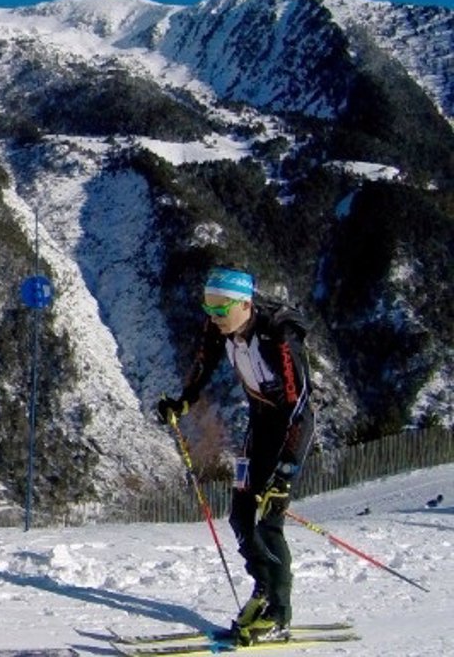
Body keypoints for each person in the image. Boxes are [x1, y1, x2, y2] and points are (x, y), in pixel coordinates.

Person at [157, 266, 314, 645]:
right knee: (241, 516)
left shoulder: (279, 335)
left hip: (289, 432)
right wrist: (183, 401)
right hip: (258, 426)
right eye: (208, 307)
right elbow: (204, 364)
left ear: (245, 304)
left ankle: (279, 614)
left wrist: (285, 474)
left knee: (268, 520)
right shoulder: (220, 328)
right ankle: (263, 591)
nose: (213, 316)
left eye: (221, 308)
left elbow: (301, 409)